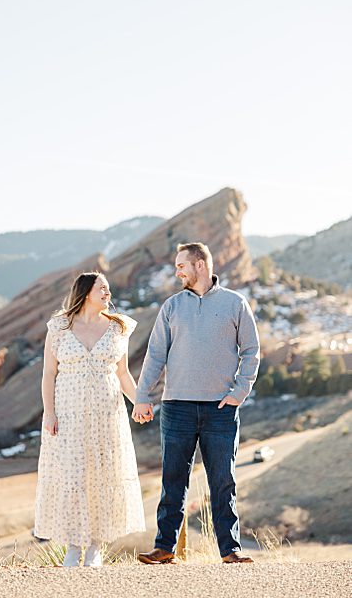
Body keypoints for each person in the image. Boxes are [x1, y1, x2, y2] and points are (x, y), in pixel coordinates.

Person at [132, 242, 259, 565]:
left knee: (223, 481)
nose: (177, 272)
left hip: (221, 409)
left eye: (181, 266)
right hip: (176, 407)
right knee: (173, 480)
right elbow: (156, 355)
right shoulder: (172, 306)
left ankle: (230, 550)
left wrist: (239, 392)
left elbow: (251, 351)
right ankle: (165, 548)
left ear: (200, 265)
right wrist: (143, 396)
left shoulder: (235, 303)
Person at [34, 271, 145, 567]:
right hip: (68, 414)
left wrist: (141, 402)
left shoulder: (118, 327)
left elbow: (122, 374)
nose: (108, 293)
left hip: (107, 415)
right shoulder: (59, 327)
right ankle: (73, 545)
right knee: (72, 477)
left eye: (108, 288)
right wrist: (49, 411)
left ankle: (96, 546)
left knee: (103, 476)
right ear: (85, 293)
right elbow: (48, 373)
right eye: (102, 288)